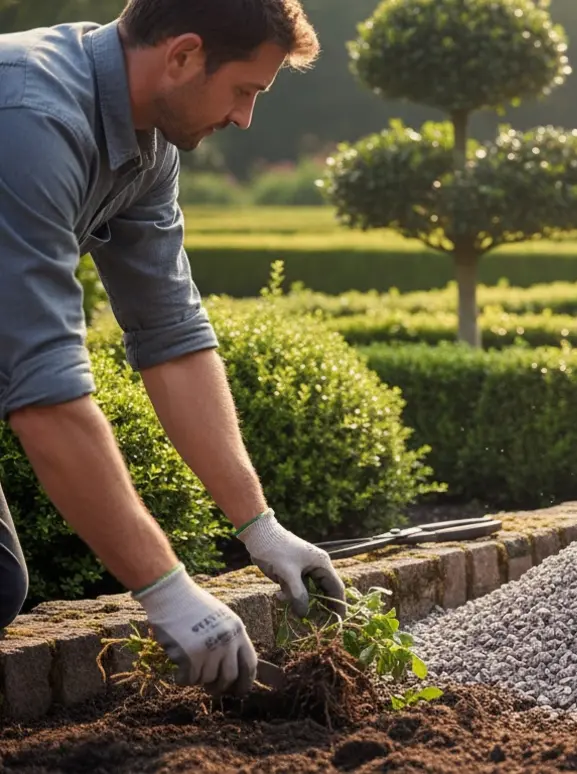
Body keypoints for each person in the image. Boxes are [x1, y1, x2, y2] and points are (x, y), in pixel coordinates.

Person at [0, 0, 346, 698]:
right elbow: (44, 394)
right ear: (183, 55)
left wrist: (259, 527)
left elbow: (172, 336)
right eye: (243, 90)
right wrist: (165, 591)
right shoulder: (31, 121)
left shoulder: (147, 145)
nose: (245, 118)